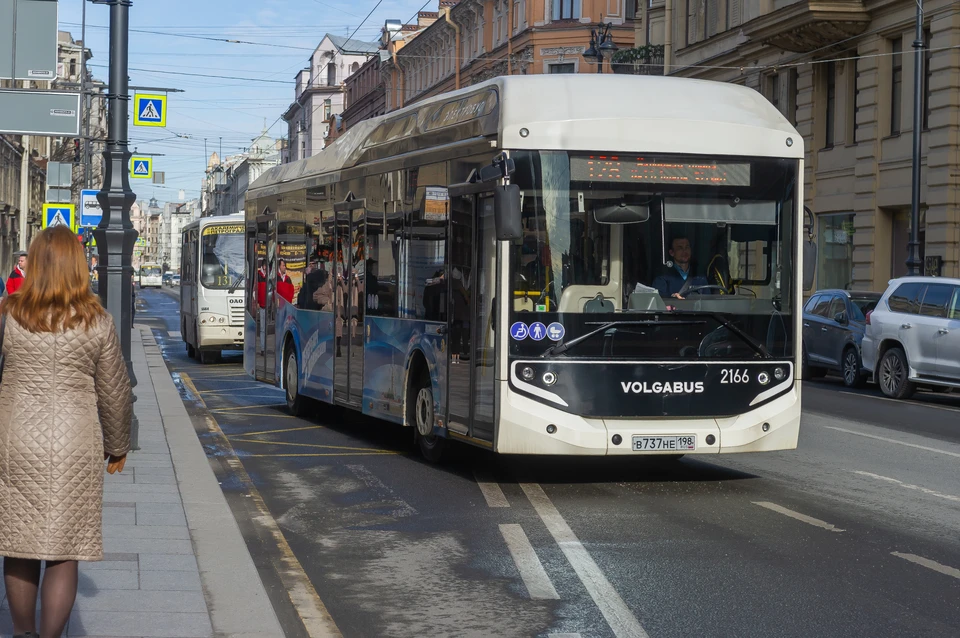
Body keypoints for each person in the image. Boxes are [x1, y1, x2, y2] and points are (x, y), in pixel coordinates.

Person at [0, 226, 132, 638]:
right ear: (79, 267)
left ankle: (22, 632)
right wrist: (117, 446)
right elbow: (115, 392)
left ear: (34, 265)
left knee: (18, 545)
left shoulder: (7, 313)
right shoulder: (98, 321)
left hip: (16, 441)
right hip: (74, 446)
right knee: (64, 550)